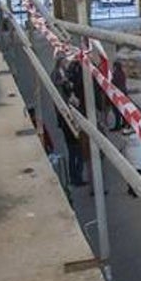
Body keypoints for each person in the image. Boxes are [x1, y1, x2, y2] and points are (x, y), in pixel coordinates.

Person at [52, 56, 86, 188]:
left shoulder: (62, 72)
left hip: (71, 138)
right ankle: (76, 178)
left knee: (74, 157)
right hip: (74, 140)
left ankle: (75, 177)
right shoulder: (68, 116)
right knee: (76, 157)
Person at [123, 129, 141, 198]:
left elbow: (123, 136)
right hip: (139, 157)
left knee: (130, 173)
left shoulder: (126, 135)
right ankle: (136, 190)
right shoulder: (139, 136)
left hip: (130, 155)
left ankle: (130, 188)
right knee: (138, 174)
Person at [109, 60, 128, 131]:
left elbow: (113, 83)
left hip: (118, 94)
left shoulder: (116, 74)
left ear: (115, 67)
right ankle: (124, 123)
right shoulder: (122, 73)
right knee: (122, 109)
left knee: (116, 111)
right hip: (123, 93)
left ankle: (117, 126)